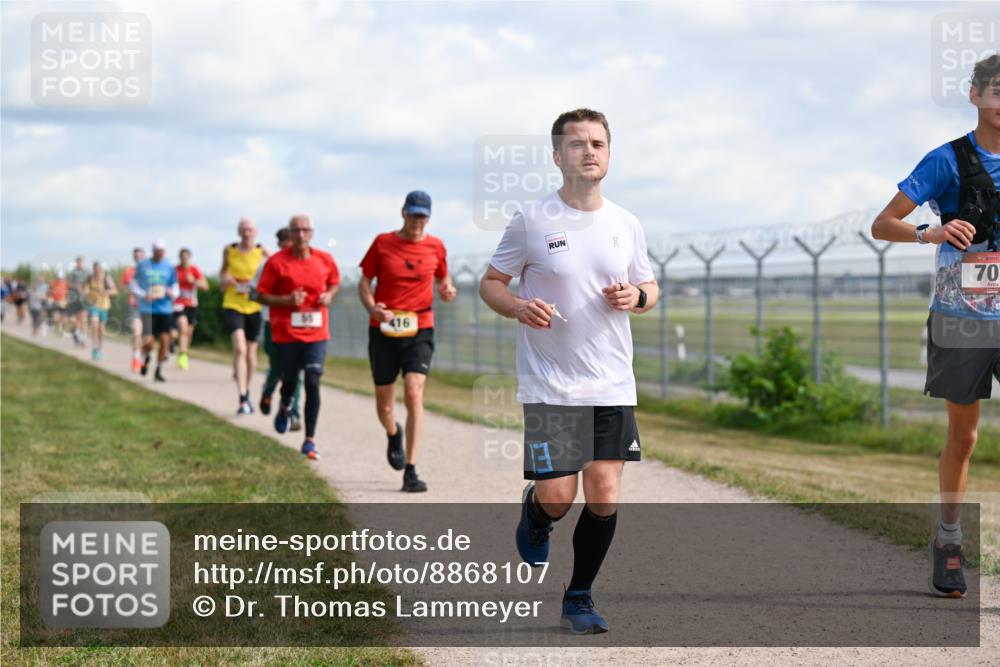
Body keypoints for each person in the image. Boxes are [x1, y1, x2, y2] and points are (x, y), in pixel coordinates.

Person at [479, 108, 659, 634]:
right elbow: (491, 282)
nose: (589, 151)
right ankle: (536, 516)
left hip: (611, 382)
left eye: (599, 143)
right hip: (550, 384)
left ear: (609, 153)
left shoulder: (627, 224)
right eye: (577, 143)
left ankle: (578, 596)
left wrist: (637, 295)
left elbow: (650, 288)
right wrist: (515, 306)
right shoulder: (532, 220)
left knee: (604, 492)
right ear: (558, 156)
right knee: (559, 496)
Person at [871, 54, 1000, 599]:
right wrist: (932, 234)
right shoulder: (948, 160)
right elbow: (883, 223)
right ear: (974, 94)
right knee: (965, 437)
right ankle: (948, 539)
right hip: (962, 317)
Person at [358, 190, 457, 492]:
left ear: (428, 217)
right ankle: (392, 433)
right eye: (413, 214)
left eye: (422, 216)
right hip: (384, 329)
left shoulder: (436, 247)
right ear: (403, 213)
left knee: (414, 393)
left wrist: (447, 290)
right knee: (385, 403)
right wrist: (372, 306)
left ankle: (411, 470)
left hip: (420, 327)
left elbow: (444, 278)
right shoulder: (383, 243)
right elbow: (364, 283)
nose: (417, 221)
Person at [256, 215, 340, 461]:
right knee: (290, 381)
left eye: (305, 230)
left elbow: (334, 283)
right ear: (290, 234)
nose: (301, 235)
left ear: (311, 233)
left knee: (313, 381)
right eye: (296, 231)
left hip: (316, 333)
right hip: (286, 333)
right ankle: (284, 407)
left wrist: (330, 296)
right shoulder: (277, 262)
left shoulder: (325, 259)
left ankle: (310, 440)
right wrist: (286, 301)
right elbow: (260, 296)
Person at [254, 227, 303, 431]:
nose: (287, 250)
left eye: (290, 246)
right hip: (272, 324)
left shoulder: (303, 265)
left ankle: (294, 412)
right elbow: (255, 292)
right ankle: (268, 391)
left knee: (296, 369)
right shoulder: (269, 266)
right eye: (284, 246)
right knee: (278, 367)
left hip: (298, 323)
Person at [220, 218, 269, 414]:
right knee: (240, 348)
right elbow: (223, 273)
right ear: (238, 232)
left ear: (255, 232)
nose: (247, 233)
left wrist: (257, 285)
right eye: (243, 230)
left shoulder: (262, 251)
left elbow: (273, 271)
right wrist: (229, 280)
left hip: (254, 306)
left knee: (250, 353)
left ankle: (247, 390)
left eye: (250, 230)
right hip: (233, 303)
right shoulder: (229, 250)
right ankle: (241, 396)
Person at [131, 240, 178, 382]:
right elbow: (133, 284)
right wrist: (143, 294)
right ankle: (146, 358)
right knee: (149, 341)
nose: (161, 253)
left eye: (163, 250)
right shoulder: (143, 265)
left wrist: (172, 292)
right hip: (148, 308)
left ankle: (158, 368)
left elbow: (175, 286)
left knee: (164, 339)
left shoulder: (169, 266)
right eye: (158, 250)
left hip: (165, 309)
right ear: (153, 251)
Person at [173, 248, 208, 370]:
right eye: (182, 256)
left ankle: (183, 354)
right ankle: (182, 355)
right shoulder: (175, 270)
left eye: (186, 256)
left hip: (192, 305)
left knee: (188, 333)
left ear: (189, 257)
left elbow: (205, 286)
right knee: (182, 327)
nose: (184, 259)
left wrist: (194, 281)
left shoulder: (194, 270)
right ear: (179, 257)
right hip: (178, 303)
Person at [85, 261, 118, 361]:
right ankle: (94, 348)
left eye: (99, 270)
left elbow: (115, 291)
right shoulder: (90, 278)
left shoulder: (107, 278)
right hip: (93, 305)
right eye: (95, 270)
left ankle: (99, 349)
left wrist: (105, 292)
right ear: (93, 270)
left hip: (104, 306)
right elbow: (85, 289)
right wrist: (87, 294)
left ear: (101, 269)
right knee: (94, 325)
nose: (97, 272)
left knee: (101, 329)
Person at [121, 247, 146, 372]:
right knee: (136, 332)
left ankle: (143, 356)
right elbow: (124, 287)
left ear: (144, 256)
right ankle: (136, 358)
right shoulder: (129, 271)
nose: (138, 258)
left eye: (140, 255)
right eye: (135, 256)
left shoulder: (151, 270)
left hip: (149, 307)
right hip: (134, 307)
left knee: (147, 336)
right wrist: (131, 293)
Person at [67, 256, 90, 348]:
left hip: (83, 300)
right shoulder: (73, 273)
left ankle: (83, 340)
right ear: (76, 263)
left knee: (83, 321)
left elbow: (90, 284)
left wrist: (86, 289)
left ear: (83, 263)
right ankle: (76, 336)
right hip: (74, 300)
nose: (80, 264)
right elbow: (69, 284)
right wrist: (76, 286)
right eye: (78, 262)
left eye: (81, 262)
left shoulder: (87, 273)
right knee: (74, 321)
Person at [48, 270, 69, 336]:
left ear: (63, 277)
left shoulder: (65, 283)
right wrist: (50, 298)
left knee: (64, 318)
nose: (59, 279)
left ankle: (61, 330)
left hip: (63, 302)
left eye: (60, 278)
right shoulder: (52, 283)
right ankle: (53, 325)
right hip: (55, 302)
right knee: (56, 318)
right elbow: (49, 292)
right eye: (58, 278)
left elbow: (67, 293)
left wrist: (66, 300)